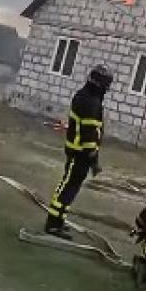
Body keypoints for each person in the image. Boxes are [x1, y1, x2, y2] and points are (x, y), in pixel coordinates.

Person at [45, 65, 112, 239]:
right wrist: (94, 161)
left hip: (78, 152)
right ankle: (53, 224)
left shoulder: (85, 96)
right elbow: (89, 134)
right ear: (101, 85)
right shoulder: (91, 102)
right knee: (67, 187)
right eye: (106, 86)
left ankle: (58, 220)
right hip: (79, 154)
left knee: (70, 188)